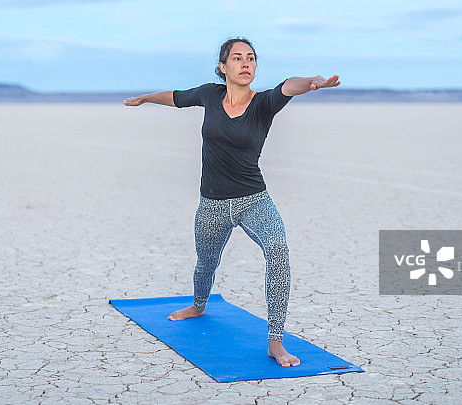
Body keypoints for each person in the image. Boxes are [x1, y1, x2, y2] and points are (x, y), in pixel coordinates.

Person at [123, 38, 340, 367]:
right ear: (223, 67)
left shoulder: (264, 104)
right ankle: (198, 305)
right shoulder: (210, 94)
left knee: (278, 250)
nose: (245, 63)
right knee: (206, 263)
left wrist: (312, 84)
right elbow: (177, 98)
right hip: (211, 204)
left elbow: (288, 86)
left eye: (251, 58)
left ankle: (276, 342)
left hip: (254, 200)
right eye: (237, 58)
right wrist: (145, 99)